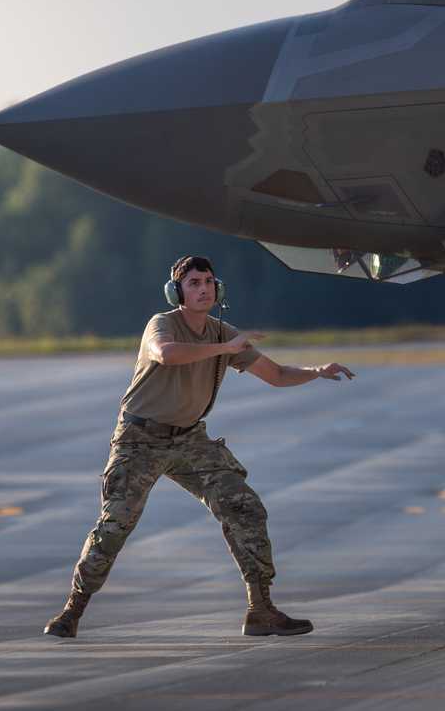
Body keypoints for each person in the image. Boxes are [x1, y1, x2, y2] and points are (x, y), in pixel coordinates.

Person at [43, 254, 357, 639]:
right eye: (194, 283)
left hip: (190, 437)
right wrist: (225, 350)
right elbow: (167, 353)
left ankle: (261, 609)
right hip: (140, 439)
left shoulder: (224, 334)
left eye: (208, 282)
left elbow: (275, 375)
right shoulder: (163, 324)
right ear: (178, 292)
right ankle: (72, 611)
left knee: (244, 506)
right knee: (115, 526)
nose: (203, 288)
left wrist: (316, 371)